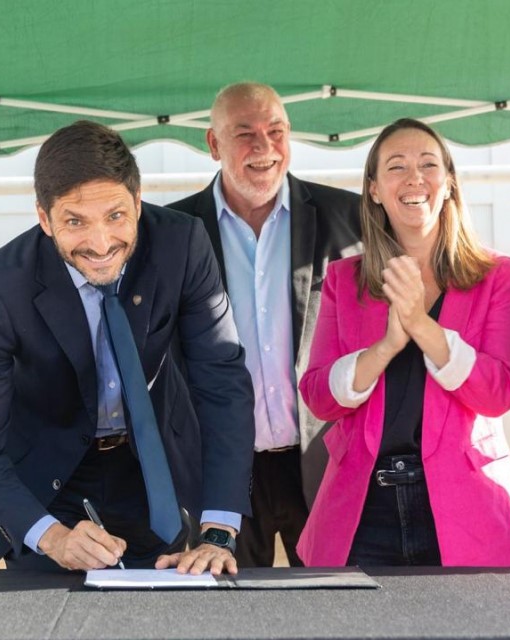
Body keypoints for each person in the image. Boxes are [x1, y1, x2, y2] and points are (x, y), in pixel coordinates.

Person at [0, 120, 254, 575]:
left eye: (115, 216)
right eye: (75, 221)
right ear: (44, 218)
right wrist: (52, 537)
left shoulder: (183, 245)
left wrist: (217, 530)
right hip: (45, 488)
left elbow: (222, 384)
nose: (100, 244)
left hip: (152, 475)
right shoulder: (2, 284)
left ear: (138, 201)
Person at [296, 118, 510, 567]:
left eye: (428, 164)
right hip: (363, 512)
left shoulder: (504, 278)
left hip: (467, 507)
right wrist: (387, 345)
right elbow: (318, 398)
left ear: (449, 183)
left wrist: (421, 327)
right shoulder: (343, 280)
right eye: (396, 166)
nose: (414, 178)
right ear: (374, 189)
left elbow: (500, 392)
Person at [167, 82, 361, 567]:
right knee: (228, 601)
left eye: (276, 131)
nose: (265, 147)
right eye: (245, 134)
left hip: (322, 460)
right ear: (213, 144)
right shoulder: (172, 232)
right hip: (220, 470)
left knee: (334, 598)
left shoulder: (350, 218)